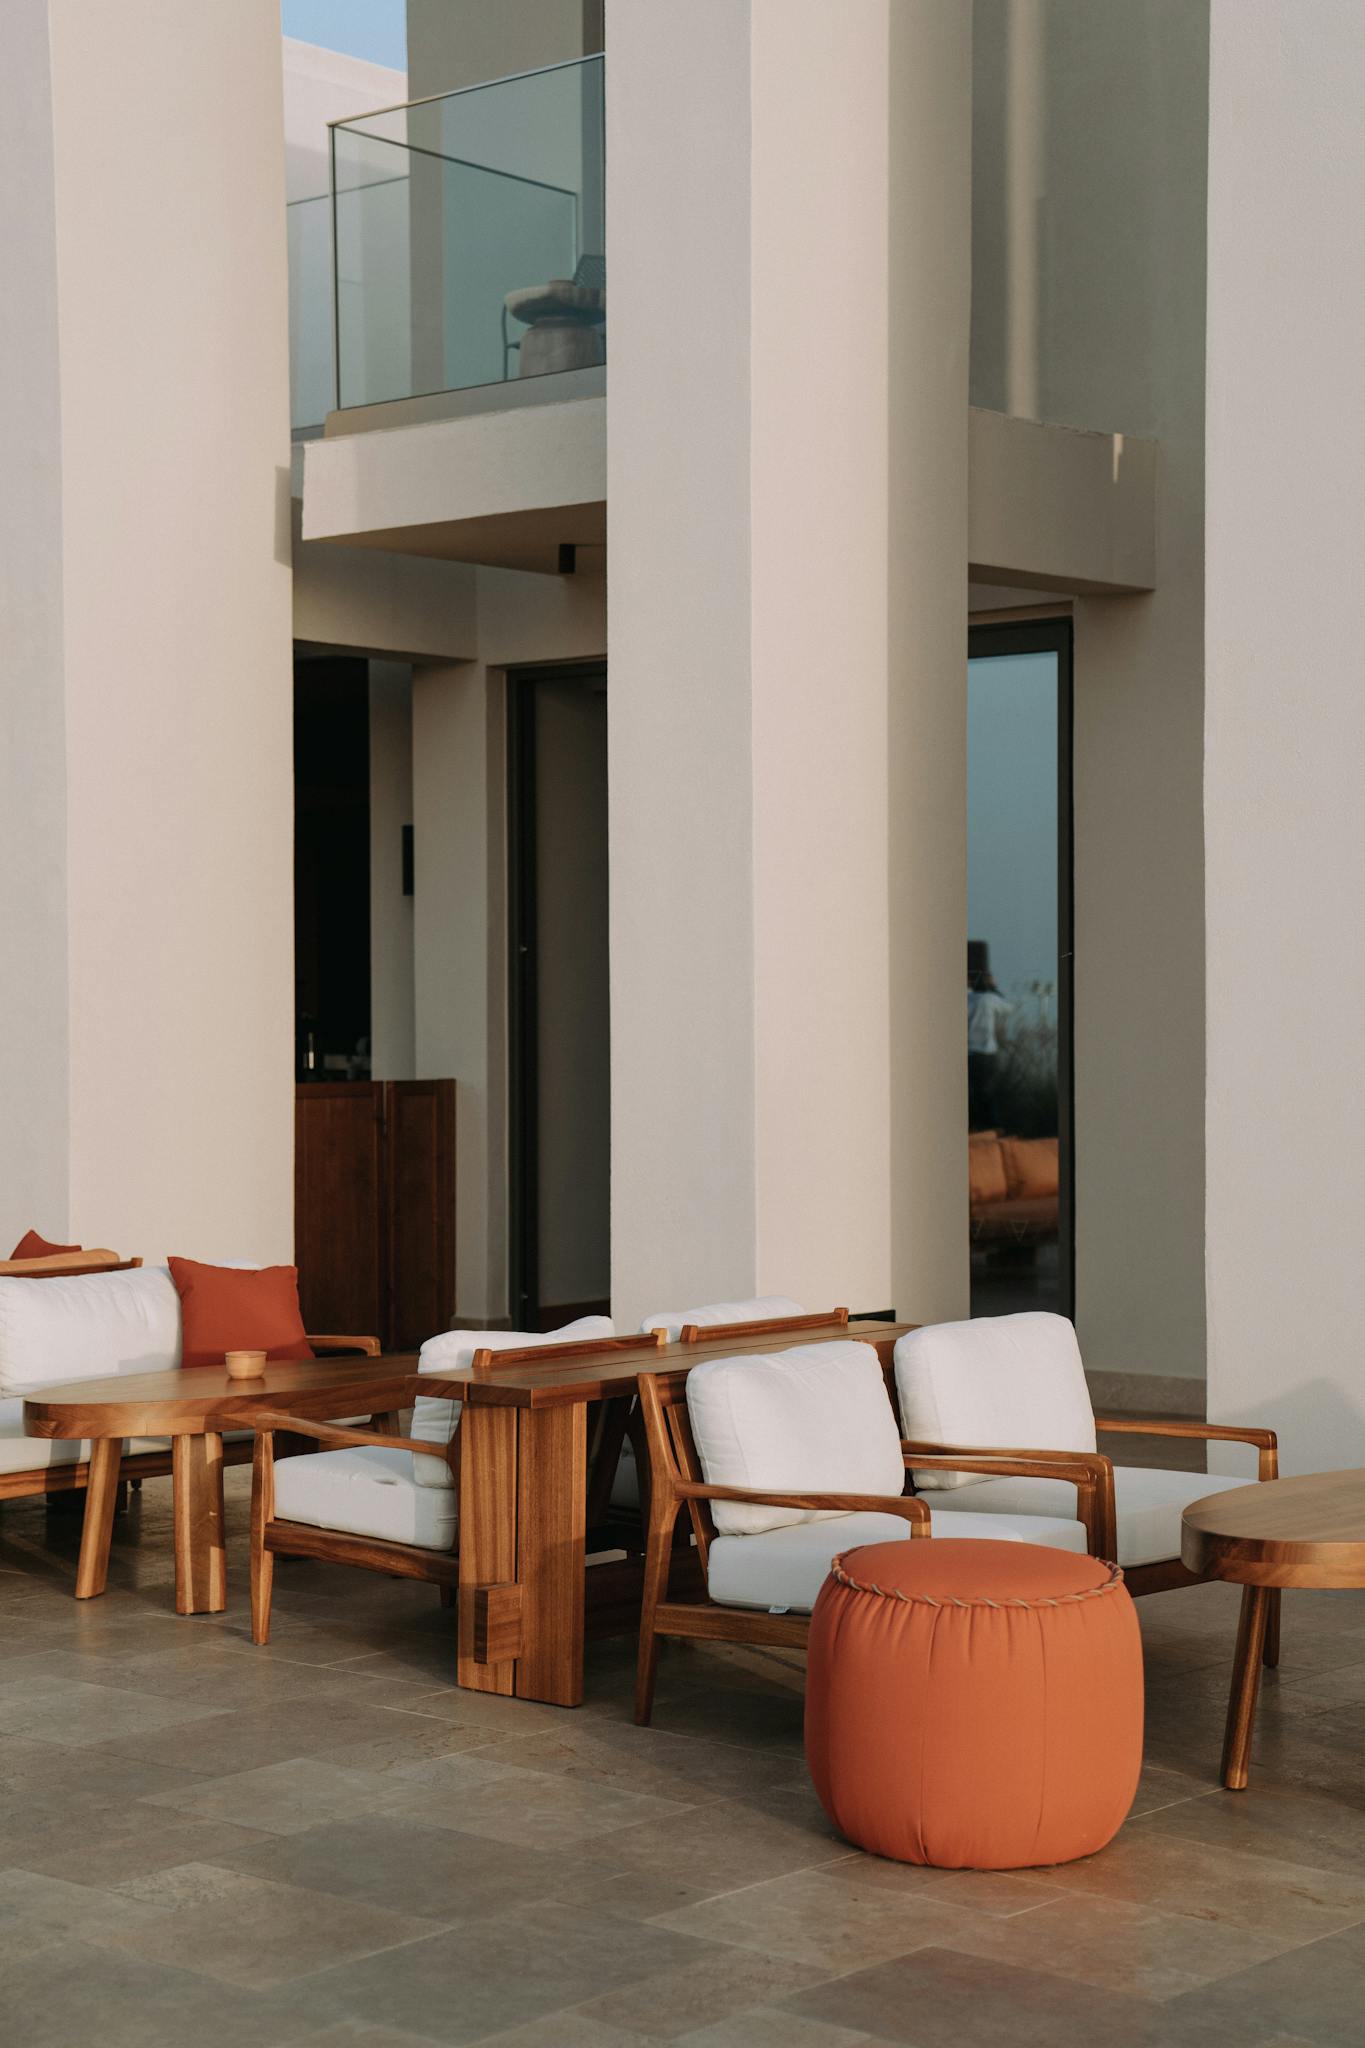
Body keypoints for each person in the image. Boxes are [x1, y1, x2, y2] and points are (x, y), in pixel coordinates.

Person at [967, 967, 1012, 1129]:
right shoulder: (990, 999)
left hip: (969, 1053)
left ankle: (975, 1125)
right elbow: (1008, 1008)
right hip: (986, 1053)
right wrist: (994, 988)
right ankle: (992, 1125)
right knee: (987, 1092)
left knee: (971, 1093)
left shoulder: (967, 999)